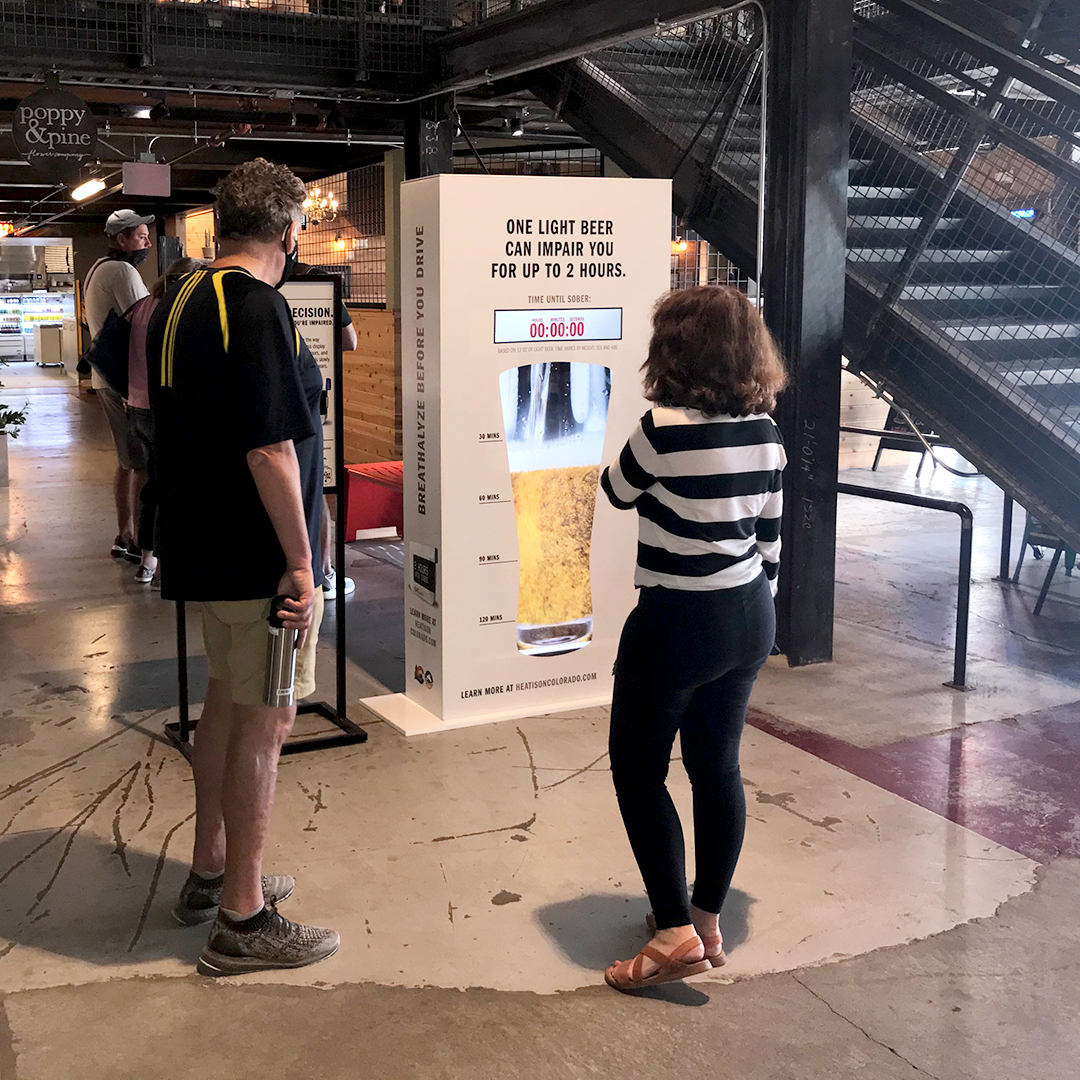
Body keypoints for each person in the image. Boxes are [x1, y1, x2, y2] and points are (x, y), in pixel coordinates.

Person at [148, 158, 338, 974]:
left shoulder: (182, 297)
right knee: (269, 723)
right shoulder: (258, 308)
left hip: (205, 546)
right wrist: (301, 563)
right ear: (291, 230)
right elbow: (269, 449)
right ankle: (243, 919)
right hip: (258, 560)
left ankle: (211, 870)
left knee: (226, 705)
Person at [599, 286, 787, 992]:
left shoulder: (662, 428)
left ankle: (672, 930)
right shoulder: (766, 432)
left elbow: (616, 491)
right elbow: (769, 543)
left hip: (677, 620)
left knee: (638, 768)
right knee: (717, 767)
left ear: (674, 348)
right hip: (749, 615)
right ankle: (707, 920)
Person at [125, 257, 206, 584]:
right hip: (166, 408)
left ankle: (147, 562)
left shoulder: (142, 306)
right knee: (173, 487)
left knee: (153, 485)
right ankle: (171, 560)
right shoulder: (178, 311)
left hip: (137, 406)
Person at [83, 209, 154, 563]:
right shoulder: (124, 271)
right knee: (141, 463)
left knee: (126, 461)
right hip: (128, 382)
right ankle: (142, 542)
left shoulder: (96, 269)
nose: (147, 243)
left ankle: (124, 533)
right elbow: (144, 322)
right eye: (141, 237)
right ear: (121, 239)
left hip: (106, 378)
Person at [294, 262, 357, 601]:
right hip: (314, 399)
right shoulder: (326, 293)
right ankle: (325, 572)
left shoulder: (266, 292)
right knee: (316, 487)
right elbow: (351, 340)